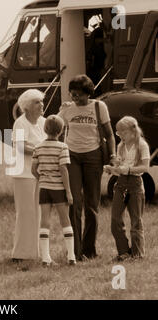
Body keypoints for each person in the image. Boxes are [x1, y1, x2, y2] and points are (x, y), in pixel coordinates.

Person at [58, 74, 116, 261]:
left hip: (93, 156)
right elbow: (52, 127)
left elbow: (109, 134)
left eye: (79, 95)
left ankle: (89, 249)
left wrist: (113, 155)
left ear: (88, 93)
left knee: (92, 205)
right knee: (74, 201)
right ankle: (74, 250)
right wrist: (60, 111)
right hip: (71, 156)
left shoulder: (99, 107)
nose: (75, 98)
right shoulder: (68, 109)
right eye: (72, 94)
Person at [8, 89, 47, 264]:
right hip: (23, 173)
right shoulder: (20, 123)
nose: (41, 105)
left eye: (41, 101)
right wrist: (42, 151)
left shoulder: (44, 122)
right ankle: (21, 253)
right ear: (27, 107)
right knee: (25, 212)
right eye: (37, 102)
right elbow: (21, 146)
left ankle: (37, 252)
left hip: (41, 173)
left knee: (39, 212)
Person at [31, 115, 76, 266]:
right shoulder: (63, 147)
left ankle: (45, 258)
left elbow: (33, 169)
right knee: (65, 220)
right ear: (61, 130)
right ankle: (71, 256)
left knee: (45, 221)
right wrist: (68, 191)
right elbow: (63, 170)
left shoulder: (38, 147)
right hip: (58, 188)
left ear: (45, 129)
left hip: (44, 188)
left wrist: (42, 178)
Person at [104, 116, 150, 261]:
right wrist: (112, 169)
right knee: (115, 219)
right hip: (121, 183)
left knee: (136, 220)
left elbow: (145, 167)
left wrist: (128, 170)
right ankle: (123, 251)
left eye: (122, 132)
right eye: (118, 133)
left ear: (133, 130)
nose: (121, 136)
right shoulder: (121, 146)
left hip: (135, 183)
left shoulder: (142, 145)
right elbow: (119, 168)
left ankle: (137, 254)